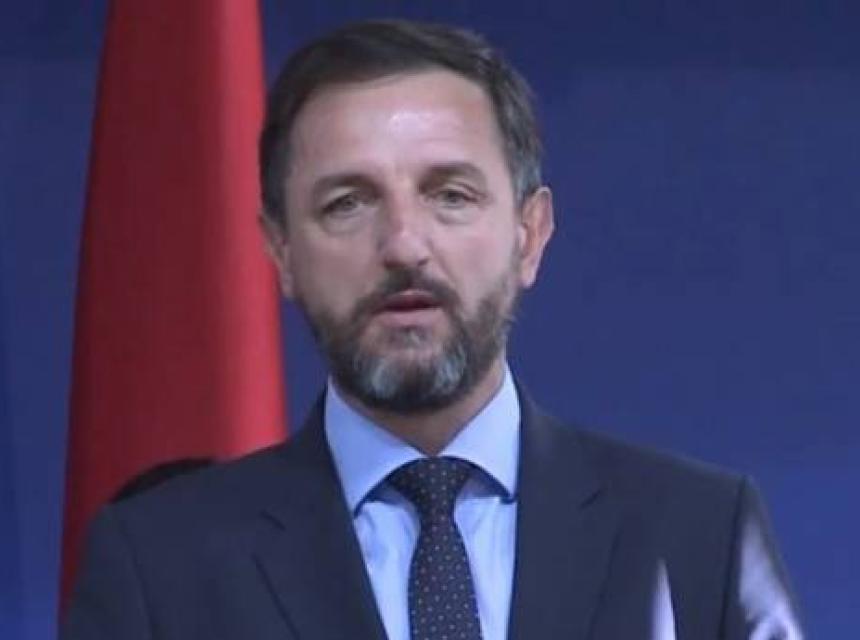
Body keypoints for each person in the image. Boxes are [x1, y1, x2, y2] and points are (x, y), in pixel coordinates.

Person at [63, 19, 803, 640]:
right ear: (280, 253)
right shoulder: (159, 566)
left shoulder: (699, 537)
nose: (404, 245)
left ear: (530, 235)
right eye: (347, 203)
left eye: (450, 194)